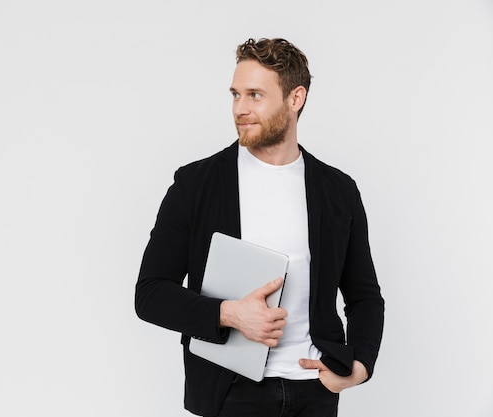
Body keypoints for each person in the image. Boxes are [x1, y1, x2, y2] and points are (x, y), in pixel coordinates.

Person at [135, 37, 384, 417]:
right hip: (229, 391)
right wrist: (229, 315)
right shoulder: (196, 183)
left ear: (295, 98)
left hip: (315, 392)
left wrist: (359, 367)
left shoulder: (338, 190)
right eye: (235, 95)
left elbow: (364, 296)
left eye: (254, 95)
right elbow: (150, 294)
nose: (240, 109)